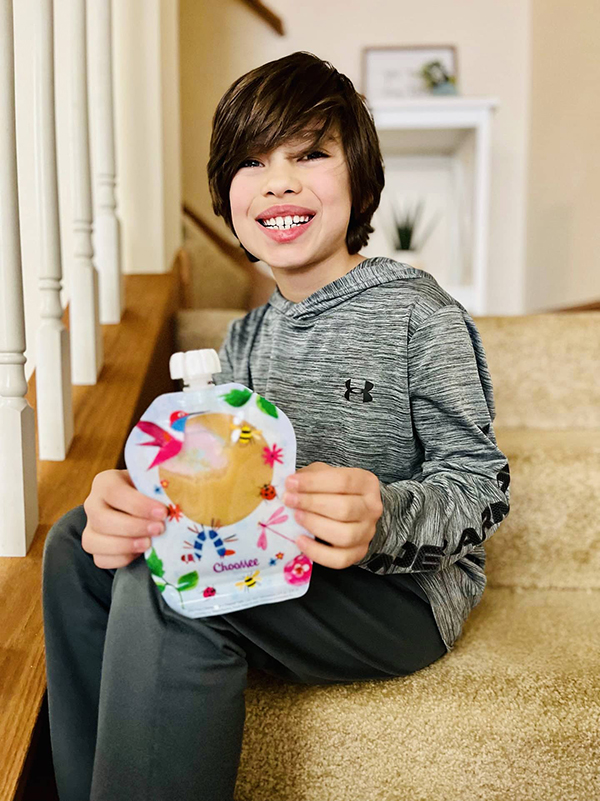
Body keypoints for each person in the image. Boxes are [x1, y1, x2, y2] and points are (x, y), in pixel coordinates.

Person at [42, 51, 511, 801]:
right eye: (253, 161)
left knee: (176, 590)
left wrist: (385, 515)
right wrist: (135, 505)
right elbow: (204, 484)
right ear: (228, 198)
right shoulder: (242, 340)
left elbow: (481, 485)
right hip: (265, 559)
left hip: (395, 596)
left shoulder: (418, 313)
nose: (281, 180)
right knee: (76, 543)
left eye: (311, 154)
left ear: (358, 178)